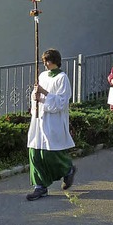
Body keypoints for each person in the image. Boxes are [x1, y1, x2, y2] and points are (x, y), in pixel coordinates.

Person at [26, 49, 77, 201]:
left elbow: (61, 102)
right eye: (43, 61)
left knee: (50, 154)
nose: (44, 64)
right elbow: (36, 95)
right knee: (34, 152)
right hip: (39, 119)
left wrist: (44, 95)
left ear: (53, 61)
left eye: (46, 61)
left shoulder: (62, 78)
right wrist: (35, 96)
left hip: (53, 119)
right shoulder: (42, 76)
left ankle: (67, 170)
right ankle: (40, 186)